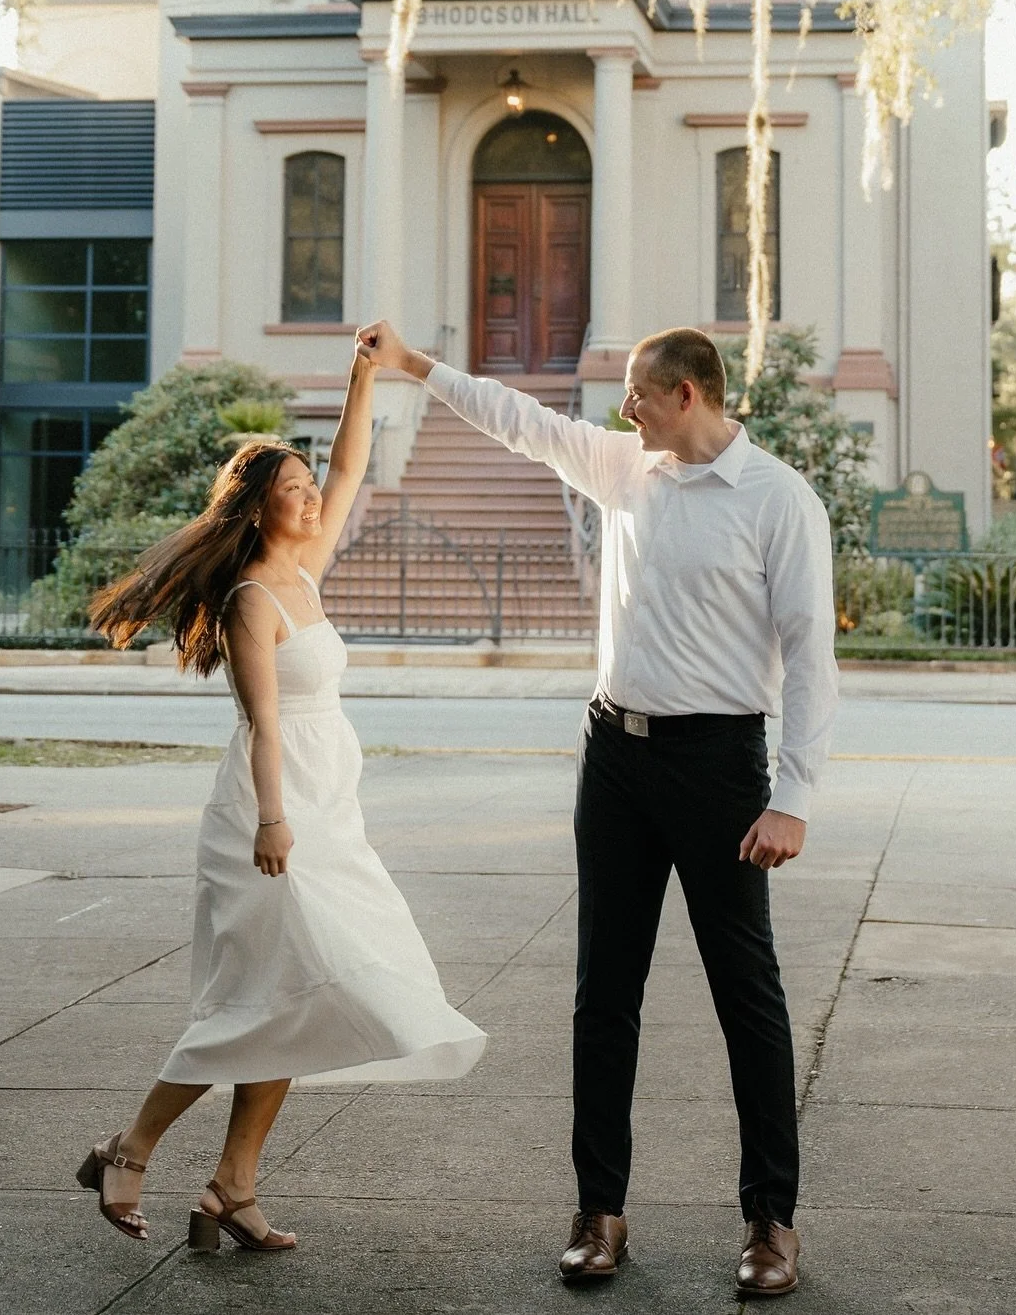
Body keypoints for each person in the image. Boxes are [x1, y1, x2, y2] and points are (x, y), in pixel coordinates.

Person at [357, 320, 837, 1298]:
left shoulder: (777, 500)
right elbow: (517, 421)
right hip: (614, 757)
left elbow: (812, 655)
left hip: (720, 768)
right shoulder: (626, 469)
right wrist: (414, 366)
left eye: (638, 393)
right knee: (602, 992)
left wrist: (793, 798)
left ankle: (772, 1222)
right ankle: (599, 1210)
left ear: (688, 395)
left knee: (746, 994)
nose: (623, 407)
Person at [77, 343, 485, 1251]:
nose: (310, 495)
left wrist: (365, 378)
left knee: (301, 994)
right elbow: (264, 721)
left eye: (307, 484)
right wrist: (272, 819)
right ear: (257, 504)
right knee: (254, 1000)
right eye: (291, 487)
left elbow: (349, 464)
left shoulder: (308, 567)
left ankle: (232, 1184)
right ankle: (129, 1147)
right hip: (270, 813)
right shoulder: (254, 595)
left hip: (327, 808)